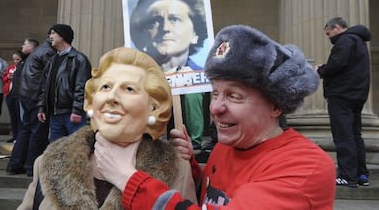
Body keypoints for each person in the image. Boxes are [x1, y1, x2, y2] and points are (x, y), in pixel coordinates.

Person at [93, 25, 336, 209]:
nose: (216, 108)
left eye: (235, 96)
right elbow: (212, 199)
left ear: (276, 106)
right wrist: (190, 167)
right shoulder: (227, 146)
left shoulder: (306, 167)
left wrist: (127, 178)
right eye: (216, 93)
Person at [17, 47, 197, 209]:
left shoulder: (178, 170)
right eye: (105, 87)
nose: (111, 97)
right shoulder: (48, 162)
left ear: (154, 108)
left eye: (128, 89)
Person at [130, 0, 208, 150]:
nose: (165, 28)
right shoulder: (140, 73)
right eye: (154, 22)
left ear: (195, 33)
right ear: (145, 34)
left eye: (175, 19)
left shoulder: (200, 72)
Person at [316, 17, 371, 188]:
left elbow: (337, 64)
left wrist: (319, 70)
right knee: (355, 135)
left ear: (337, 27)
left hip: (342, 95)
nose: (329, 37)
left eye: (329, 33)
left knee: (343, 135)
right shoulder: (359, 41)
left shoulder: (345, 40)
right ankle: (361, 174)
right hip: (357, 94)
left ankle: (347, 176)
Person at [7, 35, 53, 176]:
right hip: (34, 98)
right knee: (36, 132)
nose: (22, 46)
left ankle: (15, 165)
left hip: (26, 97)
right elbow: (48, 79)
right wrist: (42, 103)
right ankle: (30, 166)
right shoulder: (46, 52)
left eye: (24, 43)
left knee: (26, 130)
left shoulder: (32, 57)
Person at [37, 24, 92, 142]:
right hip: (54, 114)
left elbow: (82, 86)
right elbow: (45, 87)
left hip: (71, 114)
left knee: (76, 148)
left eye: (53, 33)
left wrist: (77, 110)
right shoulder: (52, 60)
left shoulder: (79, 59)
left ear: (62, 36)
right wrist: (42, 108)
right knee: (56, 150)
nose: (49, 37)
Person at [2, 50, 23, 143]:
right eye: (14, 59)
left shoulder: (23, 67)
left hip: (18, 94)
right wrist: (8, 77)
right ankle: (14, 135)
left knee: (19, 116)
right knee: (13, 115)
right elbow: (4, 78)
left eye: (17, 59)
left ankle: (19, 136)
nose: (15, 61)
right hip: (9, 93)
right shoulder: (11, 67)